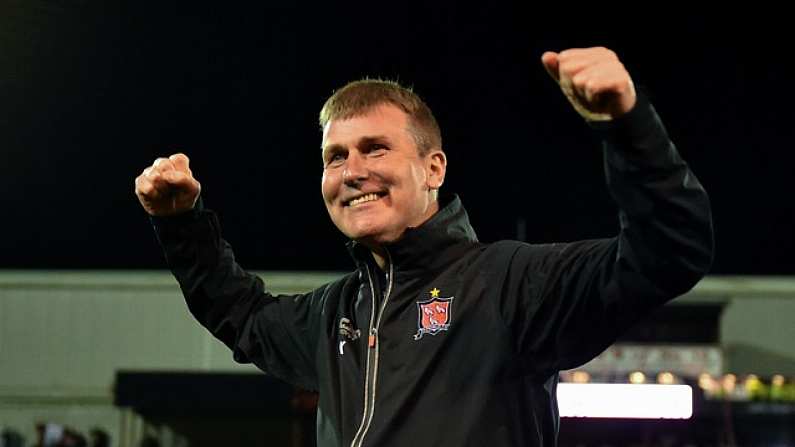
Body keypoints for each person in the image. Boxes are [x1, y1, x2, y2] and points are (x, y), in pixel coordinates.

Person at [134, 47, 714, 446]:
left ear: (433, 168)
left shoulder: (509, 285)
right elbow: (240, 314)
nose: (353, 171)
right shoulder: (335, 315)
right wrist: (180, 221)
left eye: (376, 149)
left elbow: (669, 251)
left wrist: (628, 127)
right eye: (335, 157)